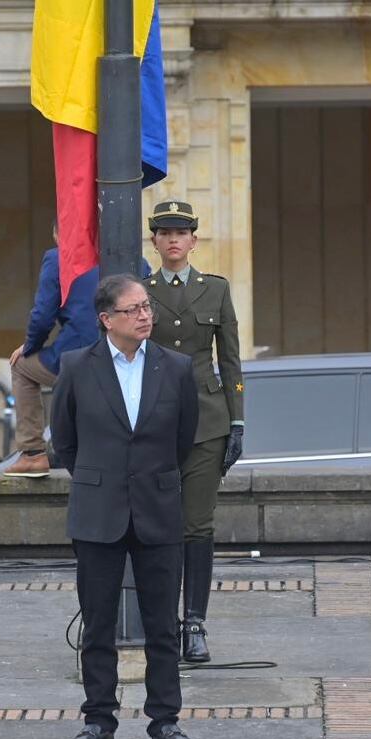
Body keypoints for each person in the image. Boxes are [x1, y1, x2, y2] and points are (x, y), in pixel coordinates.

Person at [51, 274, 199, 739]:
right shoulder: (76, 366)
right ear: (106, 318)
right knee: (98, 623)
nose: (144, 316)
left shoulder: (175, 367)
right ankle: (99, 720)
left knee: (162, 623)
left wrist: (148, 477)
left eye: (146, 307)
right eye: (133, 309)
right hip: (98, 512)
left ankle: (164, 721)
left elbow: (184, 438)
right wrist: (102, 478)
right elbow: (65, 441)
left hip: (158, 508)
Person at [143, 199, 244, 663]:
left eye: (181, 233)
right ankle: (161, 619)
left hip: (207, 420)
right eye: (164, 233)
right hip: (156, 420)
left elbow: (230, 360)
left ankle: (195, 623)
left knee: (197, 525)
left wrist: (237, 420)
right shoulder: (140, 292)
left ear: (194, 240)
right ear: (155, 242)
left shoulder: (215, 290)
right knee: (155, 525)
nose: (173, 240)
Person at [6, 221, 151, 477]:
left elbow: (42, 317)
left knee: (22, 367)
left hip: (78, 356)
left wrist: (30, 347)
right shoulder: (137, 261)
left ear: (58, 236)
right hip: (131, 357)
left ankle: (32, 454)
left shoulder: (58, 259)